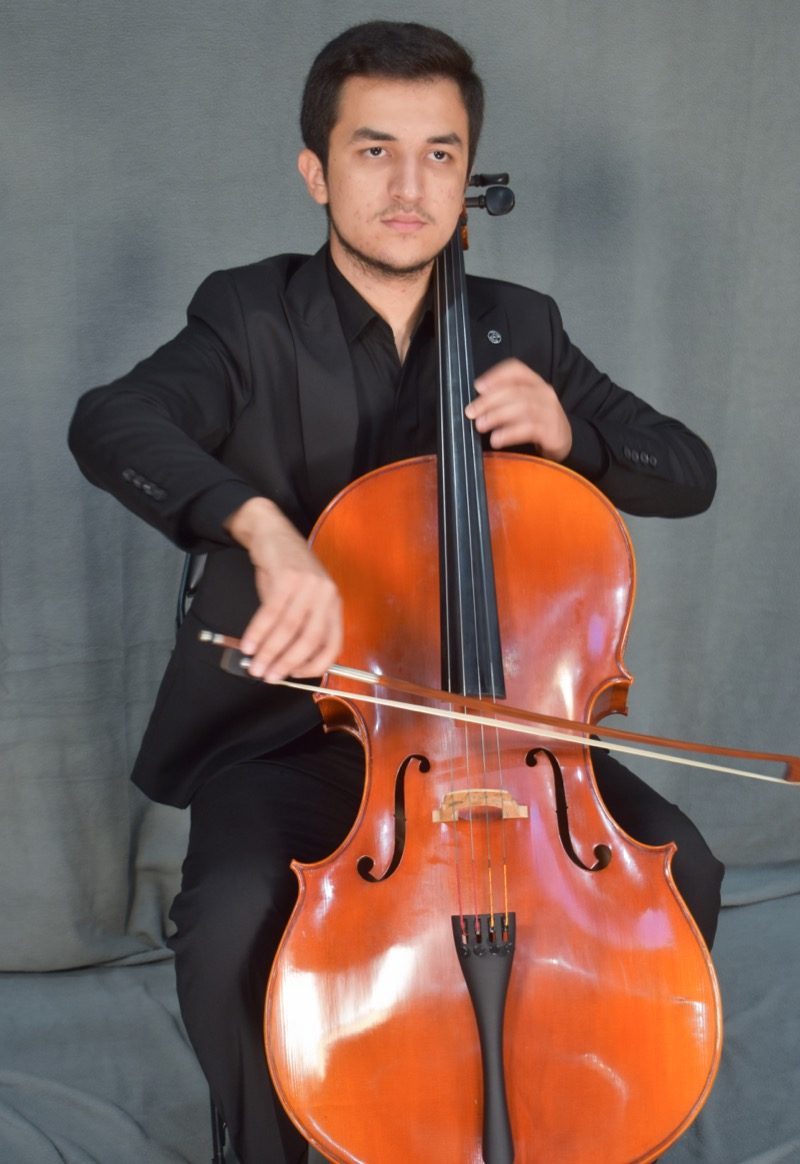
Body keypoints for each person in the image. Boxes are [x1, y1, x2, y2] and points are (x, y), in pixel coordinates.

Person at [68, 20, 724, 1164]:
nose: (409, 187)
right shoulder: (248, 317)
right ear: (316, 171)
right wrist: (261, 528)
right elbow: (113, 421)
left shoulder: (520, 327)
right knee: (228, 922)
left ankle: (575, 1123)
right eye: (374, 151)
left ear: (468, 176)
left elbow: (687, 470)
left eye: (439, 154)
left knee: (682, 867)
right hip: (289, 730)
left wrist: (573, 436)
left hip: (504, 738)